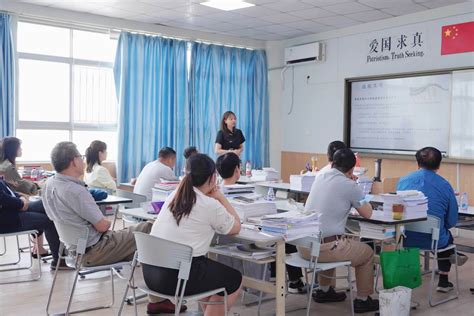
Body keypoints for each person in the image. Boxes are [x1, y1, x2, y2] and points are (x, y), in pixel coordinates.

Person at [42, 141, 184, 314]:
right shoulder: (75, 191)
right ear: (74, 161)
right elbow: (103, 225)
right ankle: (162, 295)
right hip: (95, 251)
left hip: (72, 249)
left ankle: (158, 297)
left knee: (142, 240)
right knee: (150, 228)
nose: (83, 160)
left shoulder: (49, 185)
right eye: (81, 157)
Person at [147, 154, 242, 316]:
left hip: (152, 275)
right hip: (178, 278)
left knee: (210, 271)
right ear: (213, 178)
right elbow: (236, 226)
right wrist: (220, 196)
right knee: (235, 280)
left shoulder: (174, 195)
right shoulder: (209, 204)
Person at [215, 152, 307, 293]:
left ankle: (284, 278)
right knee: (285, 237)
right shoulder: (242, 193)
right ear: (237, 170)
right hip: (246, 239)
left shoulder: (216, 191)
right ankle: (295, 282)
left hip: (225, 242)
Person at [303, 148, 379, 313]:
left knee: (332, 238)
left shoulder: (320, 176)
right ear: (352, 169)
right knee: (365, 253)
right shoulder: (350, 185)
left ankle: (324, 291)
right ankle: (363, 300)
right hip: (324, 249)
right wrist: (359, 190)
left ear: (332, 163)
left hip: (303, 247)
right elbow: (368, 213)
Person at [397, 147, 467, 292]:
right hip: (434, 239)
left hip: (405, 238)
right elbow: (452, 220)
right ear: (439, 165)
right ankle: (443, 280)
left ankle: (408, 274)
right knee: (445, 237)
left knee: (439, 233)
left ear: (417, 163)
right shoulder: (445, 185)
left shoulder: (403, 181)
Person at [0, 175, 66, 269]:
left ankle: (65, 248)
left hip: (12, 211)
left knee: (47, 204)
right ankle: (59, 261)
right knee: (49, 220)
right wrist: (22, 201)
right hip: (7, 219)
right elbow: (10, 201)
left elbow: (11, 194)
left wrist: (21, 198)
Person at [0, 136, 50, 258]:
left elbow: (11, 187)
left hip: (13, 204)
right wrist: (37, 186)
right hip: (11, 210)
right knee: (46, 211)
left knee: (43, 206)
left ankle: (39, 248)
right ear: (13, 149)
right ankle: (48, 252)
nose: (21, 149)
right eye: (19, 147)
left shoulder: (5, 164)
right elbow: (20, 186)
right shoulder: (7, 167)